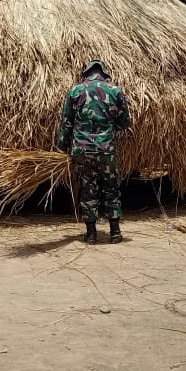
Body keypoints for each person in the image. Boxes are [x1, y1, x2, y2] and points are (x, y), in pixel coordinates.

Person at [56, 59, 132, 244]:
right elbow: (125, 122)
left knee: (88, 190)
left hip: (82, 151)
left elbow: (67, 122)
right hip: (106, 150)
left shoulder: (75, 91)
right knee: (111, 189)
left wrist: (62, 145)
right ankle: (115, 232)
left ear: (86, 74)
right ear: (104, 74)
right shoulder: (115, 91)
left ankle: (91, 235)